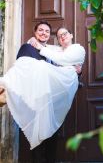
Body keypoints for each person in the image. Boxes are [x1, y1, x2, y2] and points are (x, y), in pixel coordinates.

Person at [0, 23, 86, 151]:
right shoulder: (28, 47)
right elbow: (21, 69)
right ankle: (5, 89)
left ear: (71, 35)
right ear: (35, 32)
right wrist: (33, 41)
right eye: (40, 30)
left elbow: (62, 66)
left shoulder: (59, 51)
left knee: (51, 136)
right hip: (34, 98)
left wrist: (78, 72)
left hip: (51, 100)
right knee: (37, 136)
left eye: (47, 31)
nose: (44, 33)